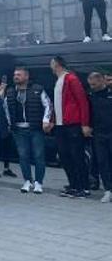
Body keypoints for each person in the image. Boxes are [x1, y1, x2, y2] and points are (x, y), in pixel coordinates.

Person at [4, 67, 51, 194]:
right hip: (18, 129)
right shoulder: (10, 91)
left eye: (19, 75)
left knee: (38, 156)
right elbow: (6, 108)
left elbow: (47, 105)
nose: (16, 77)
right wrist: (9, 124)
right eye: (15, 75)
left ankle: (38, 182)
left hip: (35, 128)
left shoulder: (37, 89)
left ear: (26, 76)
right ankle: (27, 181)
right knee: (23, 156)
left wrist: (45, 120)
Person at [50, 56, 92, 198]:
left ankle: (84, 187)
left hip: (72, 124)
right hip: (61, 125)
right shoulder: (59, 81)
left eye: (52, 63)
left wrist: (85, 124)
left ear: (57, 64)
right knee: (65, 155)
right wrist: (53, 120)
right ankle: (74, 184)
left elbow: (82, 101)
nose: (51, 66)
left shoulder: (71, 79)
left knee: (77, 156)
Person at [87, 72, 112, 202]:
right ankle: (108, 190)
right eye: (91, 84)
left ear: (102, 81)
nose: (92, 86)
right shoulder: (90, 96)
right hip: (98, 133)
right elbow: (87, 113)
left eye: (95, 84)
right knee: (102, 162)